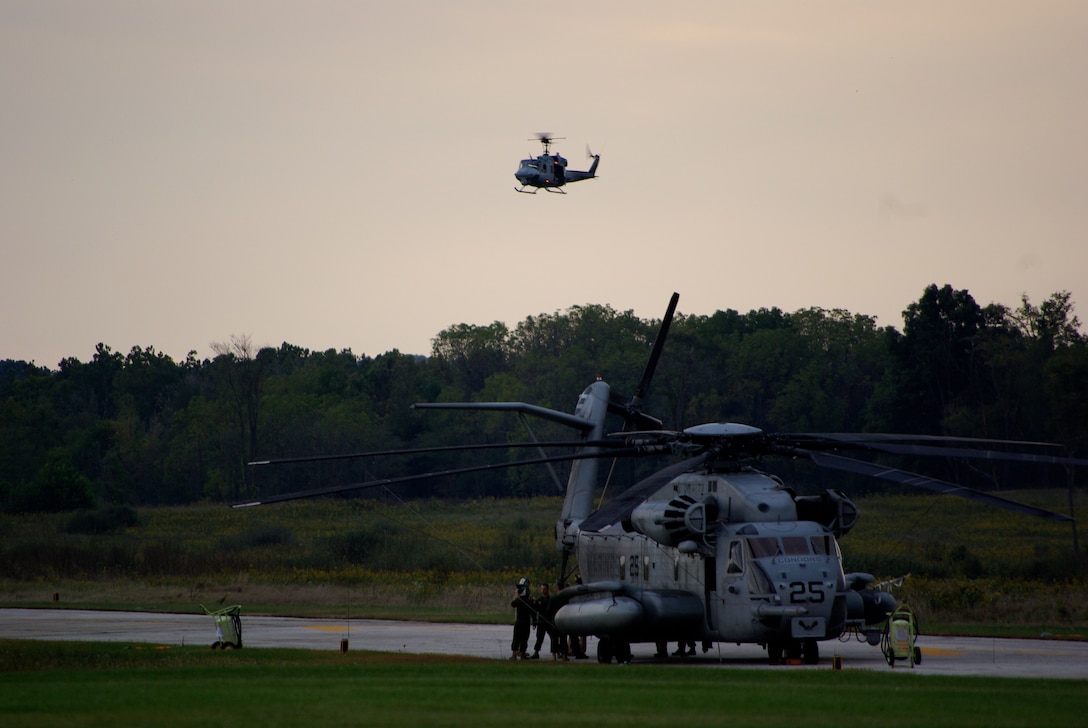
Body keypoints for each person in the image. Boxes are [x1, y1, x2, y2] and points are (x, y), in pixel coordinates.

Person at [510, 577, 534, 660]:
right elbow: (533, 611)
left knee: (516, 637)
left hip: (519, 621)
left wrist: (517, 596)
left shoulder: (519, 600)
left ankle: (514, 654)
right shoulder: (530, 602)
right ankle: (523, 654)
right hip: (526, 622)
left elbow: (512, 604)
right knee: (524, 638)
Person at [529, 582, 551, 659]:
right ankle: (536, 652)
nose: (542, 591)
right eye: (541, 589)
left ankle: (557, 652)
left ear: (547, 589)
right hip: (541, 622)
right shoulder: (539, 600)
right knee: (539, 638)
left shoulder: (550, 600)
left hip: (549, 622)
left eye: (544, 589)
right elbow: (534, 611)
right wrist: (534, 621)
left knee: (553, 637)